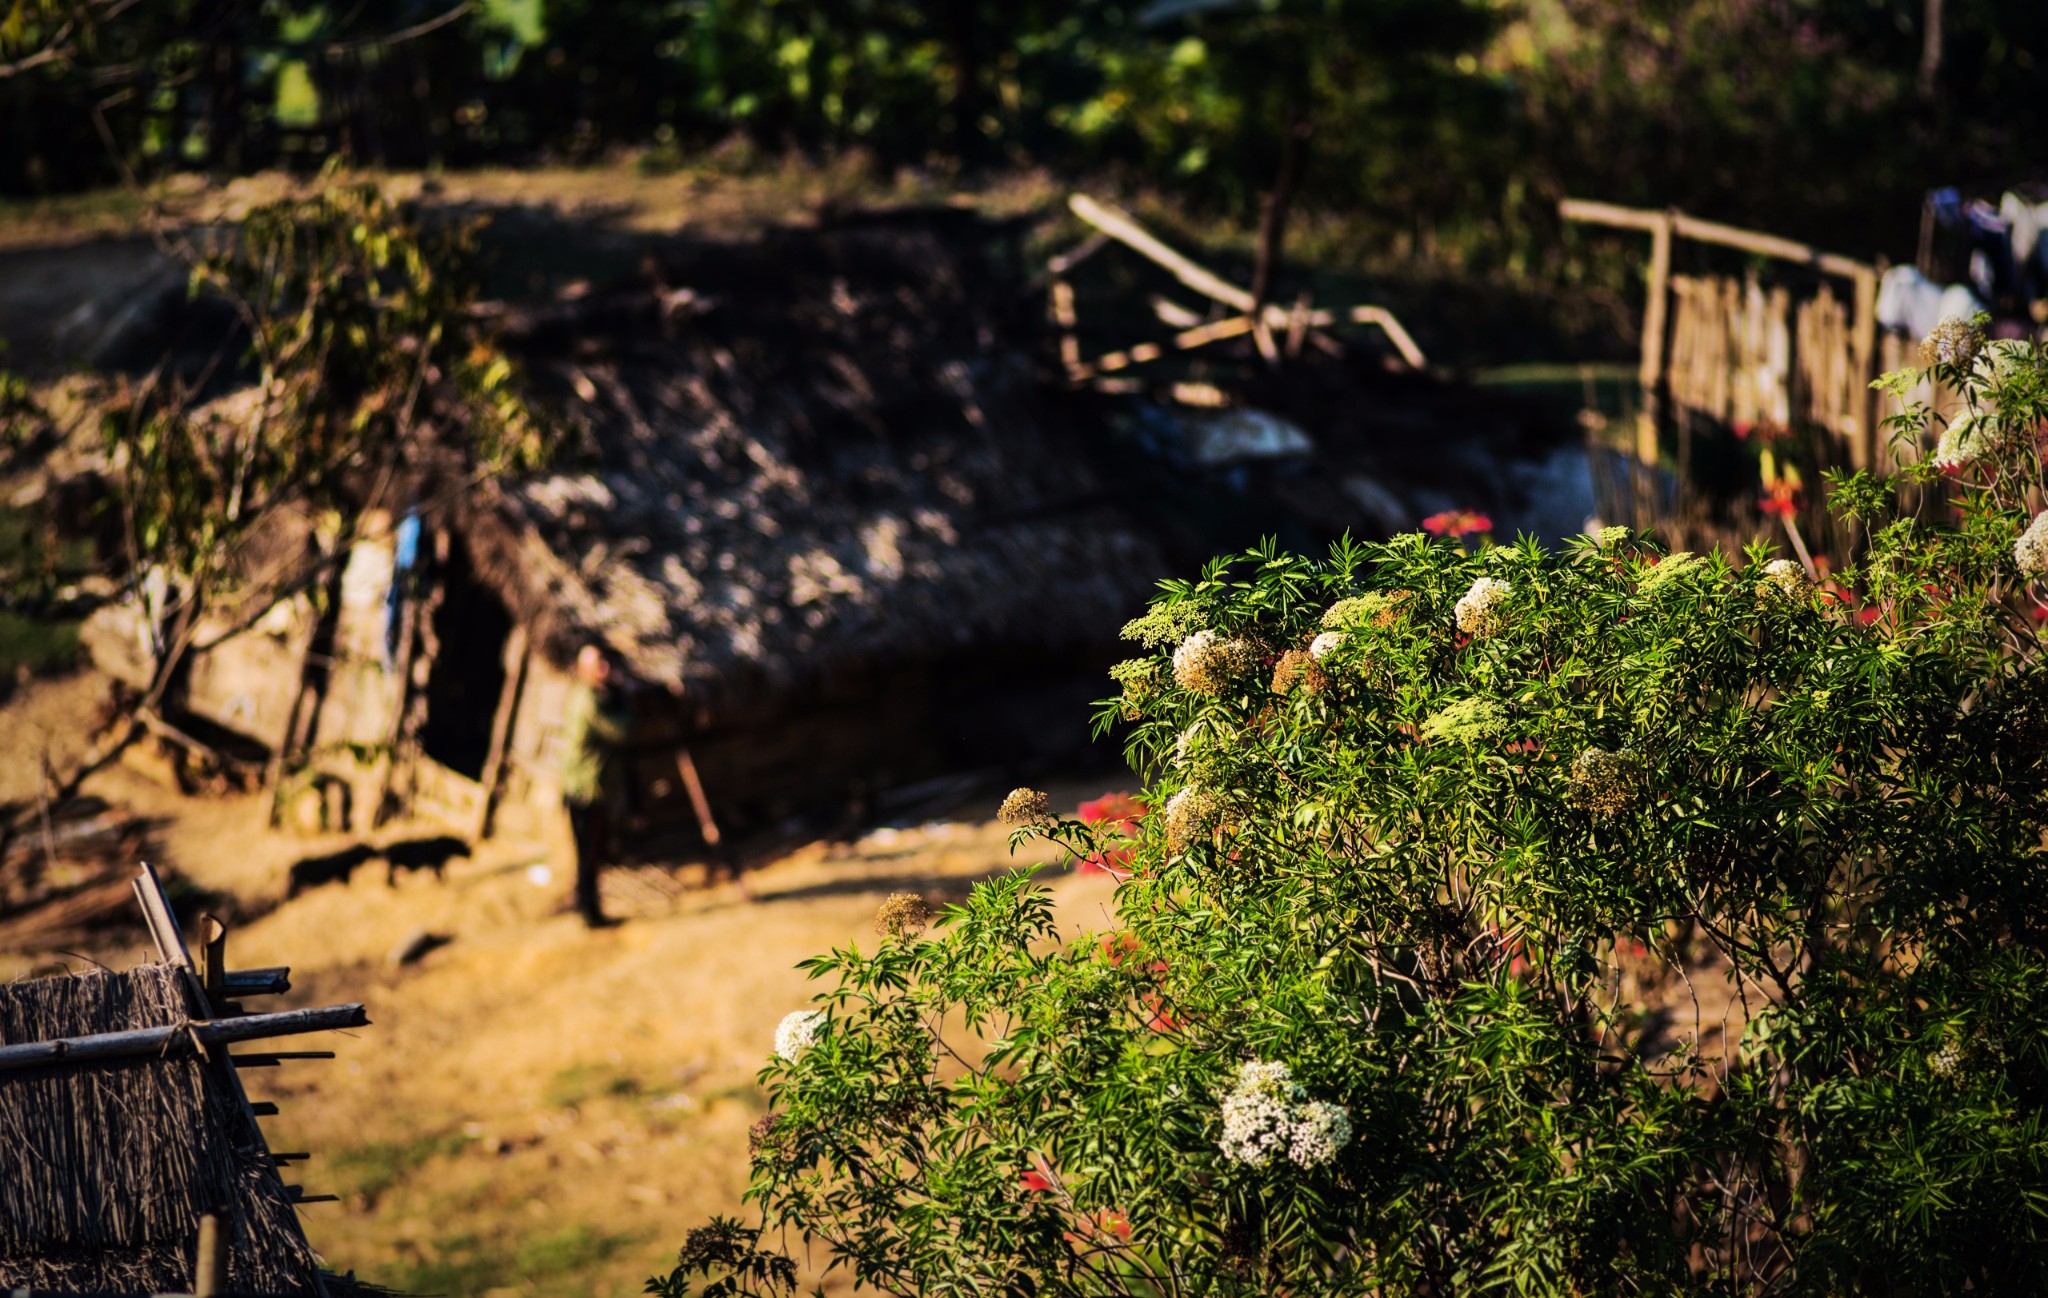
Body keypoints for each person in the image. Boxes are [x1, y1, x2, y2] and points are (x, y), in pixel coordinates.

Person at [560, 643, 631, 927]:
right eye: (598, 665)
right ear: (584, 670)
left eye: (606, 663)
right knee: (589, 852)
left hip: (585, 786)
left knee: (590, 850)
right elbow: (619, 731)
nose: (605, 670)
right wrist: (625, 701)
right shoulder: (589, 701)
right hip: (586, 789)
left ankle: (586, 905)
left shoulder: (587, 695)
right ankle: (591, 914)